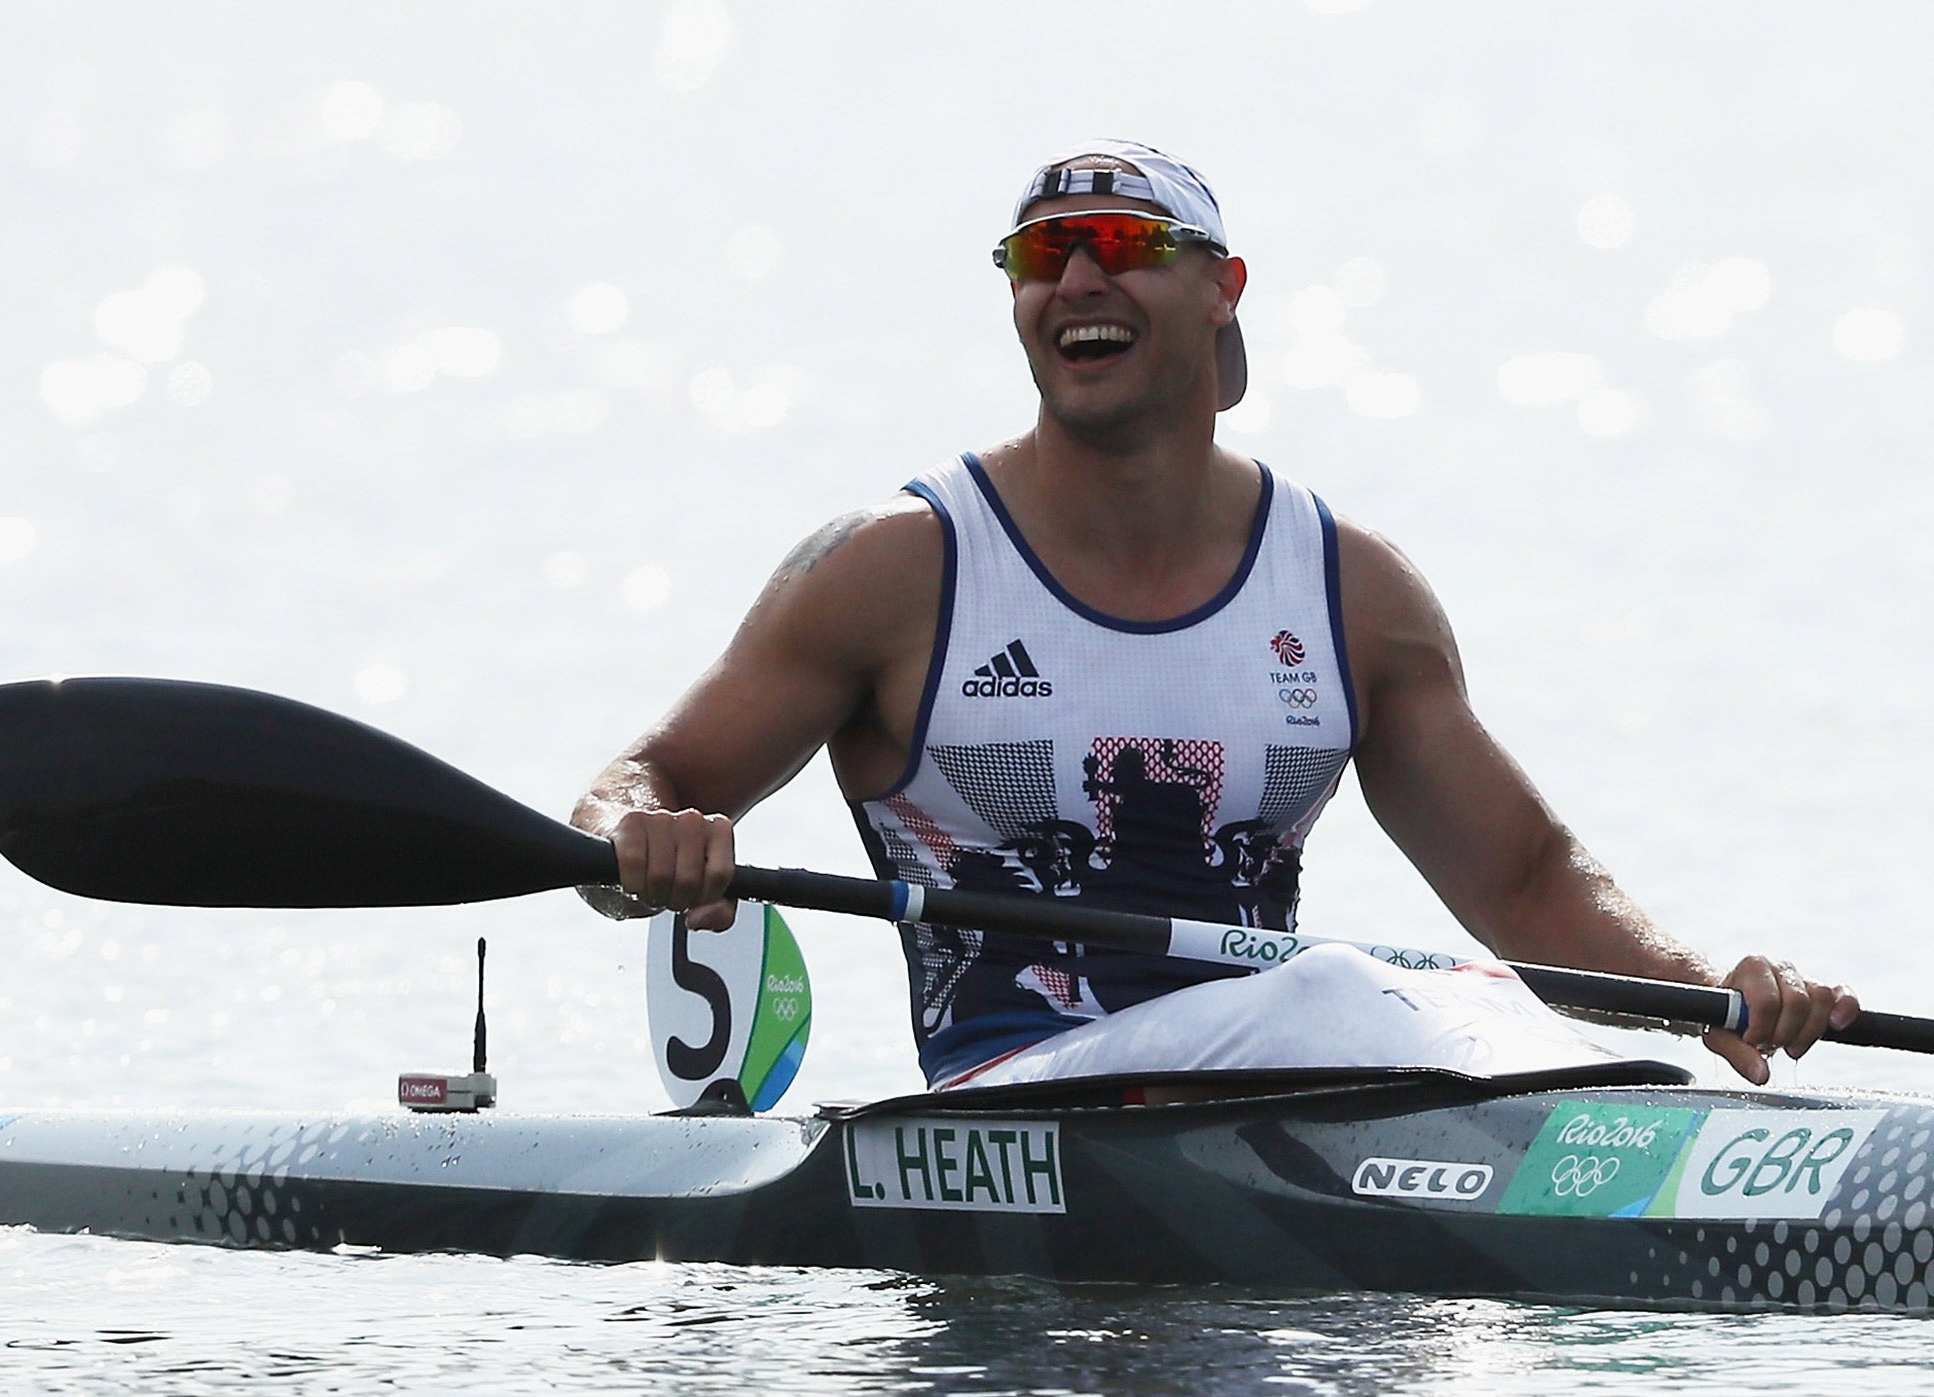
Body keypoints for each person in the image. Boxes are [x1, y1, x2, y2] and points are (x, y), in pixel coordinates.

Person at [572, 137, 1857, 1090]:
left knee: (1447, 1007)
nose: (1072, 278)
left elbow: (1521, 878)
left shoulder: (1351, 589)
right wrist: (640, 838)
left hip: (1285, 1095)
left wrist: (1707, 995)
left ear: (1221, 287)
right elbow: (642, 781)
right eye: (1038, 256)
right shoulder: (895, 569)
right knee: (1376, 994)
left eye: (1121, 248)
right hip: (1012, 1105)